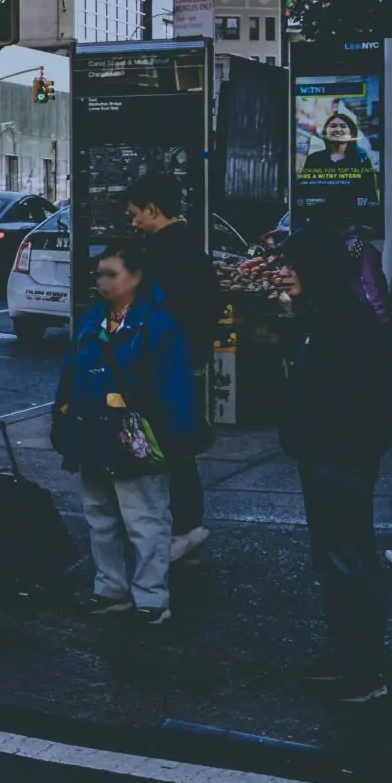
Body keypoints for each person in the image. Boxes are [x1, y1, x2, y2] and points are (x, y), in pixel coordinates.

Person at [51, 244, 199, 626]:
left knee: (144, 520)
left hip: (137, 436)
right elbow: (70, 372)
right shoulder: (91, 320)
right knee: (100, 517)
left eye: (110, 274)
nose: (102, 281)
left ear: (135, 277)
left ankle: (151, 597)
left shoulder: (159, 324)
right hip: (91, 432)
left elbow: (175, 384)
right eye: (99, 273)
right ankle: (111, 590)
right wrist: (60, 418)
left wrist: (178, 435)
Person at [278, 231, 392, 704]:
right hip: (331, 454)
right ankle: (346, 656)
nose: (285, 272)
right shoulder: (327, 315)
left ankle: (362, 670)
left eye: (293, 265)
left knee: (346, 560)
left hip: (339, 456)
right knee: (336, 559)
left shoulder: (344, 324)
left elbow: (358, 398)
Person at [125, 175, 223, 561]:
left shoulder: (162, 254)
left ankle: (179, 526)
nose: (133, 221)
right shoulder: (187, 248)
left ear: (152, 209)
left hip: (164, 365)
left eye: (135, 214)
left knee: (163, 443)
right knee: (178, 442)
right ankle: (187, 524)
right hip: (183, 361)